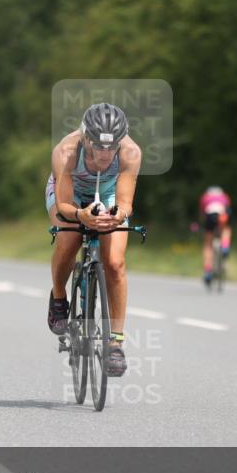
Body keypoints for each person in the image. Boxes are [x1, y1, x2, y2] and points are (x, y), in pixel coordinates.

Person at [45, 102, 141, 377]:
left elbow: (125, 203)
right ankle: (59, 297)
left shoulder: (131, 153)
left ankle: (116, 343)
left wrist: (116, 215)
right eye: (98, 145)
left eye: (111, 147)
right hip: (70, 196)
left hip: (108, 193)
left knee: (115, 263)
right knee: (69, 238)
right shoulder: (66, 152)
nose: (105, 153)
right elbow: (64, 205)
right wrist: (79, 215)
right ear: (85, 137)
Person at [199, 185, 232, 287]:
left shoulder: (205, 197)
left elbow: (202, 214)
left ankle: (208, 271)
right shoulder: (224, 196)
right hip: (222, 215)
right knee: (226, 229)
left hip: (210, 216)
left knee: (208, 245)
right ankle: (225, 246)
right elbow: (228, 210)